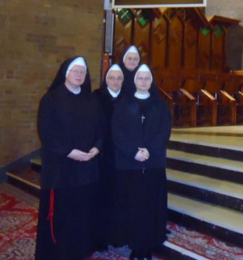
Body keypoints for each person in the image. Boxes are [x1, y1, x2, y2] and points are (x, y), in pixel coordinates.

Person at [35, 56, 103, 260]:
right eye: (76, 71)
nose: (79, 75)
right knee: (61, 215)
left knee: (82, 213)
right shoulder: (51, 99)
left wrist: (97, 148)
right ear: (66, 73)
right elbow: (46, 132)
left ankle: (79, 251)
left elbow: (101, 129)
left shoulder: (92, 100)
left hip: (86, 170)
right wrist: (68, 151)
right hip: (61, 169)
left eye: (83, 72)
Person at [112, 64, 172, 260]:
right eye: (140, 78)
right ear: (134, 81)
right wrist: (133, 152)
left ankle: (149, 243)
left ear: (151, 81)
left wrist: (150, 151)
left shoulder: (160, 104)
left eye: (147, 78)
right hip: (130, 164)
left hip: (153, 163)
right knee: (133, 205)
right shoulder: (122, 104)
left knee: (151, 205)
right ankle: (135, 245)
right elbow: (117, 132)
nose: (144, 81)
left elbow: (164, 130)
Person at [93, 64, 124, 248]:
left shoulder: (127, 98)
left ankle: (118, 235)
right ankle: (100, 238)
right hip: (102, 154)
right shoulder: (96, 97)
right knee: (101, 197)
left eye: (119, 78)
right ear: (106, 79)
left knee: (120, 196)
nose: (115, 81)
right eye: (111, 78)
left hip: (122, 156)